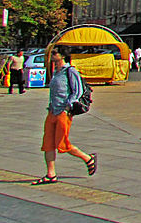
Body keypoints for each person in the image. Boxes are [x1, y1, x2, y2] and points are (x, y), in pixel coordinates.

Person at [33, 48, 97, 185]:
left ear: (62, 56)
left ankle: (88, 158)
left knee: (62, 144)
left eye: (54, 53)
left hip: (64, 112)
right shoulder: (56, 72)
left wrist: (68, 106)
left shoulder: (70, 71)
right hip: (52, 111)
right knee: (48, 144)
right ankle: (51, 174)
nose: (51, 56)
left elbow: (77, 90)